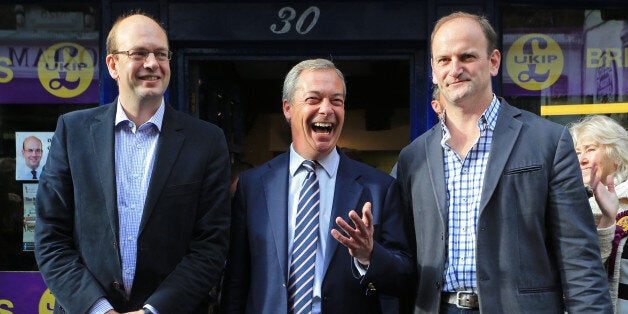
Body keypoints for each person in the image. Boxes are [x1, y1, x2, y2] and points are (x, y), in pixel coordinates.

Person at [393, 11, 612, 313]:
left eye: (467, 56)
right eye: (443, 60)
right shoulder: (412, 158)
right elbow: (400, 258)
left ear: (494, 61)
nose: (454, 69)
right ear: (433, 69)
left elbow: (579, 260)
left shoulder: (548, 141)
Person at [34, 12, 231, 314]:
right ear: (113, 65)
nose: (152, 64)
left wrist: (153, 311)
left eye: (161, 54)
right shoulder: (73, 132)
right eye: (139, 53)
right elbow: (51, 238)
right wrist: (99, 309)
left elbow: (210, 246)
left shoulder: (206, 141)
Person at [221, 58, 415, 313]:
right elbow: (237, 279)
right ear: (288, 108)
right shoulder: (254, 185)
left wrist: (369, 255)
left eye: (337, 101)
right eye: (314, 99)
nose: (327, 109)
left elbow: (405, 277)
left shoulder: (379, 188)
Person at [569, 114, 628, 313]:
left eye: (590, 149)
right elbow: (583, 273)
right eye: (577, 152)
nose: (581, 160)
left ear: (617, 154)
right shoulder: (578, 207)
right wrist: (607, 219)